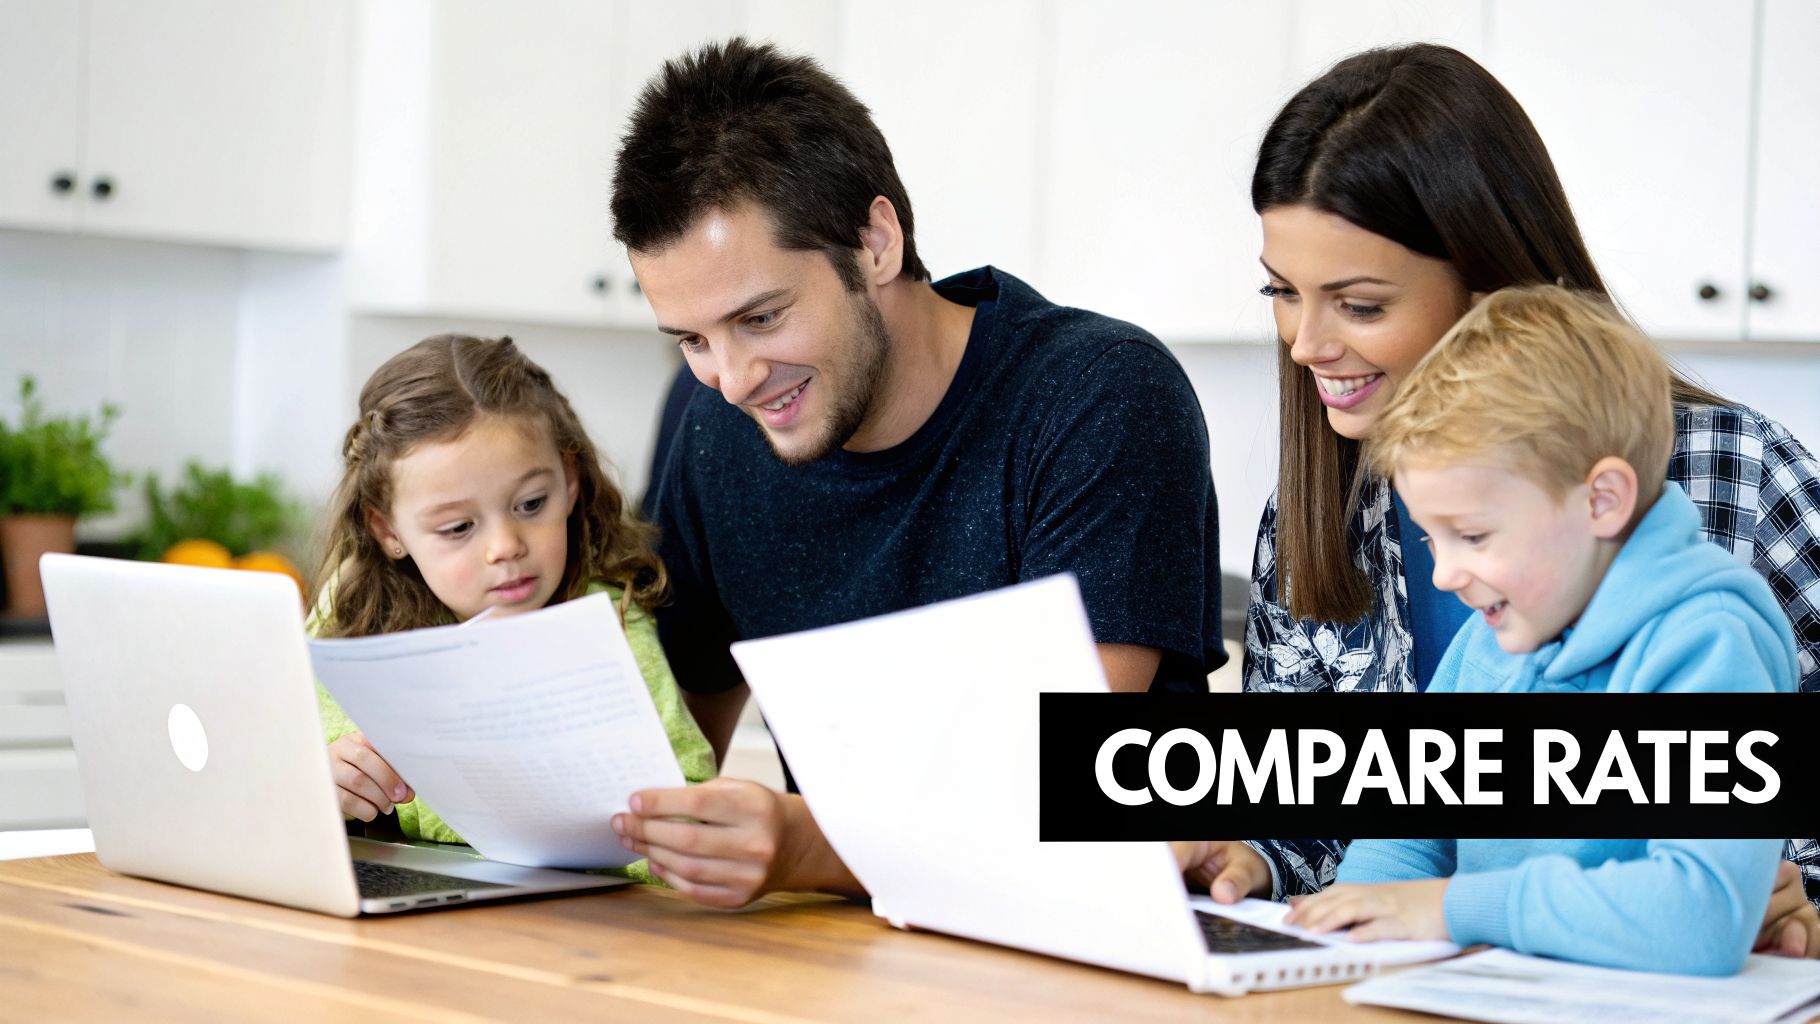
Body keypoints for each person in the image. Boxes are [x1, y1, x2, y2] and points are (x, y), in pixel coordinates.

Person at [1176, 42, 1820, 956]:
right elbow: (1351, 822)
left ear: (1486, 288)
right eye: (1282, 293)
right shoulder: (1336, 511)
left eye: (1358, 305)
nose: (1305, 344)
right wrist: (1264, 866)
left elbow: (1717, 889)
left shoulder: (1741, 483)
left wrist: (1790, 896)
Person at [607, 38, 1223, 907]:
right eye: (693, 340)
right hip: (841, 953)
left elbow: (1068, 785)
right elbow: (663, 762)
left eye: (761, 317)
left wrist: (804, 847)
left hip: (1091, 942)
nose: (734, 378)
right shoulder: (717, 430)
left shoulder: (1098, 393)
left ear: (875, 241)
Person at [1276, 285, 1795, 974]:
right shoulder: (1489, 642)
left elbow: (1700, 915)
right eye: (1435, 541)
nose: (1446, 575)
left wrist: (1451, 907)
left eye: (1473, 535)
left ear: (1601, 501)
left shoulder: (1707, 646)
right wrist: (1340, 929)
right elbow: (1406, 839)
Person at [307, 335, 714, 879]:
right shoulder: (353, 615)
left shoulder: (608, 620)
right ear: (387, 530)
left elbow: (689, 802)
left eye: (530, 504)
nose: (506, 547)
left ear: (569, 482)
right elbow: (282, 782)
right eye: (458, 528)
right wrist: (322, 786)